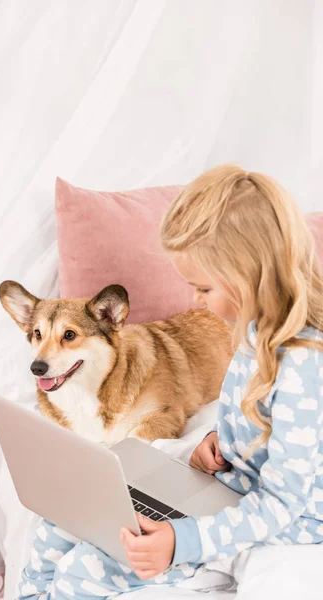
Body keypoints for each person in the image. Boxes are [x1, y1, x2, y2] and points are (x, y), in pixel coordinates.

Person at [16, 164, 323, 599]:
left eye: (202, 288)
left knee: (85, 568)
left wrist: (180, 544)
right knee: (62, 516)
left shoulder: (302, 366)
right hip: (228, 489)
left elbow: (283, 503)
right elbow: (270, 425)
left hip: (273, 521)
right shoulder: (254, 331)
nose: (195, 300)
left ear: (247, 275)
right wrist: (222, 442)